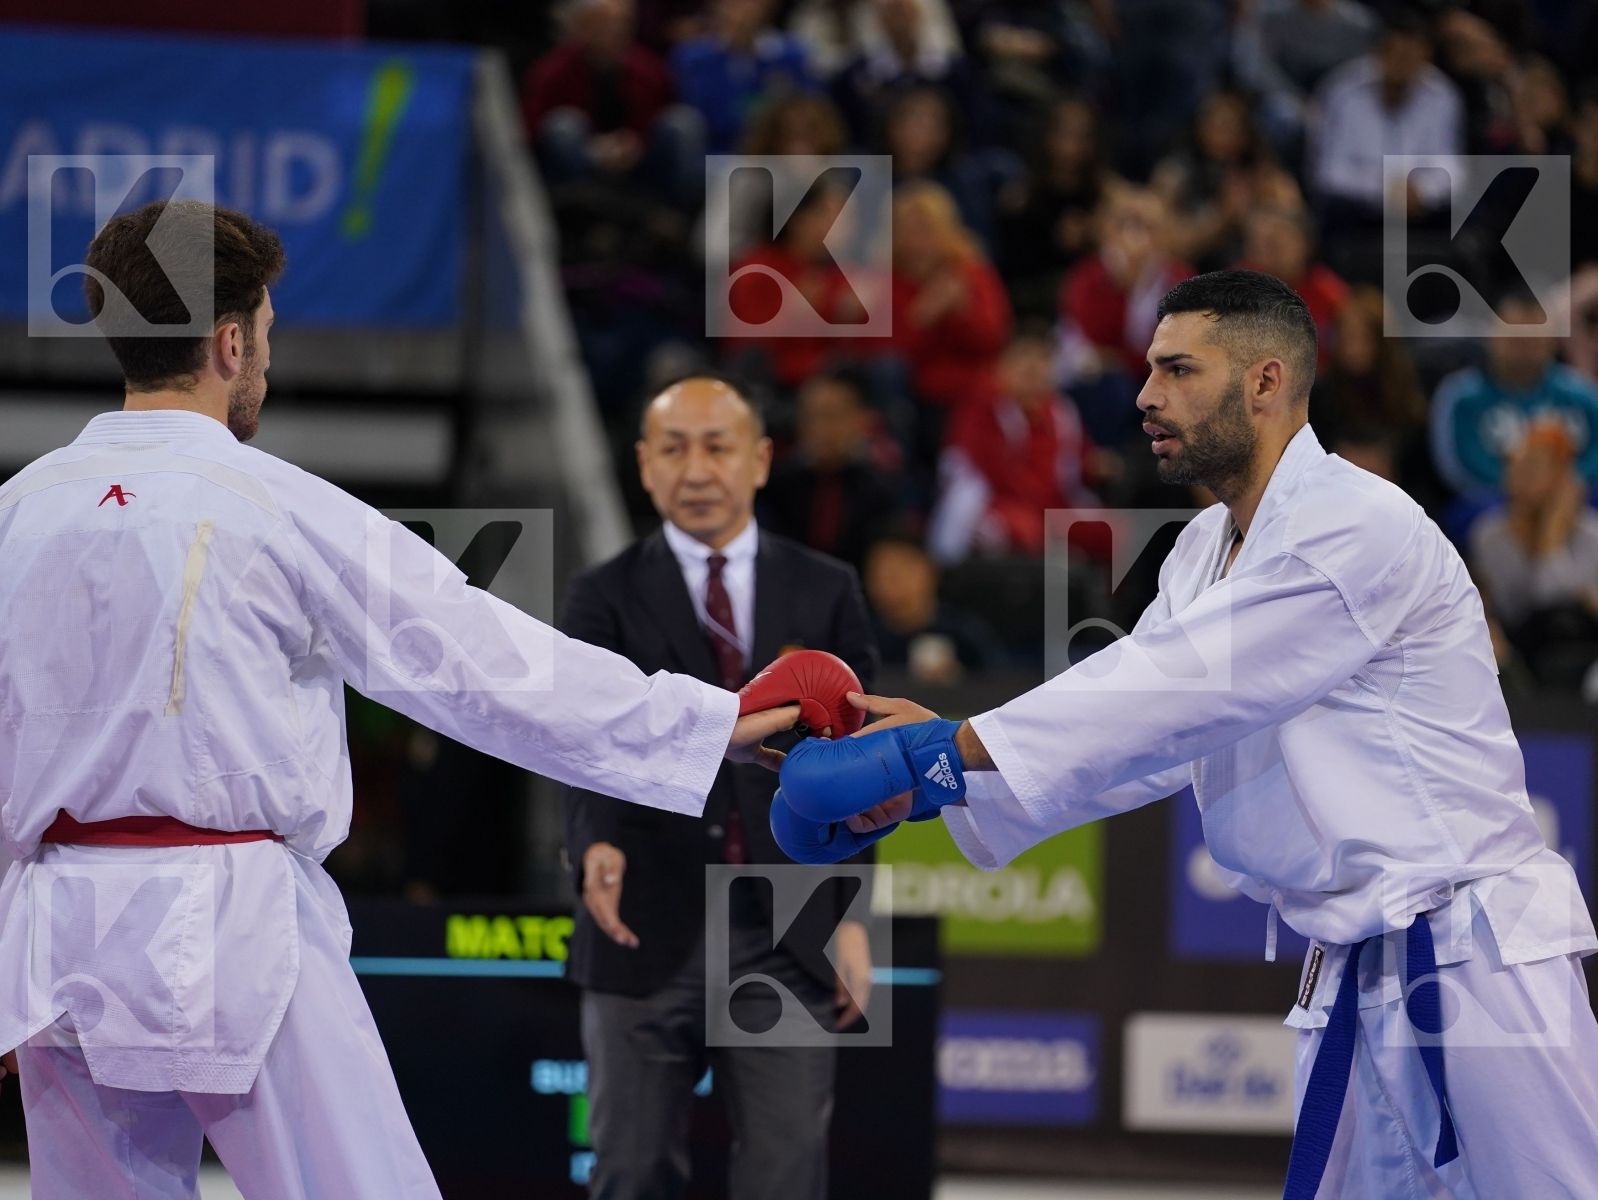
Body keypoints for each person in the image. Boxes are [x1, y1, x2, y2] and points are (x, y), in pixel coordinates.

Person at [0, 201, 799, 1200]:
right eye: (267, 336)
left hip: (58, 926)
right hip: (234, 922)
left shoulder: (19, 511)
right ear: (231, 343)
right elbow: (482, 662)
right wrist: (707, 721)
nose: (267, 363)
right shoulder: (276, 505)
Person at [775, 270, 1598, 1198]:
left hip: (1473, 956)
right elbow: (1145, 742)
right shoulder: (1205, 548)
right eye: (1149, 368)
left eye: (1177, 369)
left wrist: (941, 752)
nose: (1144, 395)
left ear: (1265, 382)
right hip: (1351, 971)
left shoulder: (1356, 523)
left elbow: (1168, 696)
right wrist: (941, 778)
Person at [561, 375, 878, 1200]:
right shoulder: (600, 593)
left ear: (761, 460)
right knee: (629, 1172)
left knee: (786, 1174)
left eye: (717, 447)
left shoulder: (827, 588)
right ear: (643, 465)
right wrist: (595, 843)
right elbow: (577, 740)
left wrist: (851, 916)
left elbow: (862, 767)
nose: (696, 469)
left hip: (791, 921)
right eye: (674, 449)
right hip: (642, 916)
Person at [1469, 422, 1598, 686]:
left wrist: (1551, 533)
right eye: (1513, 467)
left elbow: (1567, 613)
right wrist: (1551, 537)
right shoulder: (1490, 536)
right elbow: (1522, 608)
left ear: (1563, 476)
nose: (1517, 477)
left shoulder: (1590, 534)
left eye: (1531, 468)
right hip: (1519, 658)